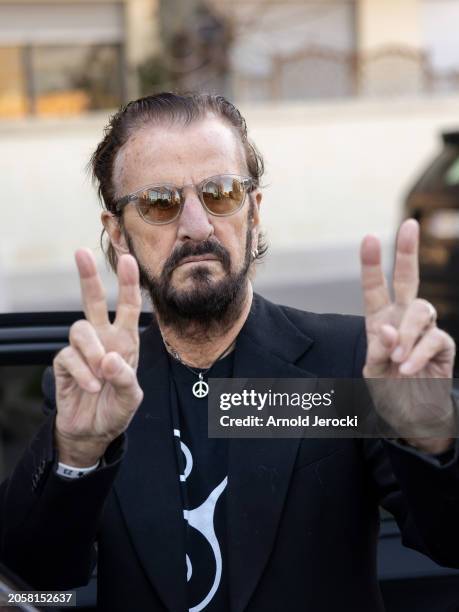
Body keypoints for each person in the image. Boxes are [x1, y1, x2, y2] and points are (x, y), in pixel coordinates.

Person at [1, 92, 459, 612]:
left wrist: (432, 440)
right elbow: (37, 580)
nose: (197, 226)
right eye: (159, 202)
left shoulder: (345, 360)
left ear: (253, 210)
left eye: (220, 193)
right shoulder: (98, 388)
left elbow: (449, 543)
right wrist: (78, 454)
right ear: (118, 233)